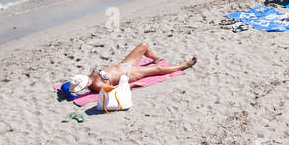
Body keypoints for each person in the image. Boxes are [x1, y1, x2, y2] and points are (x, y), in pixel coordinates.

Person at [67, 42, 197, 95]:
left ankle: (155, 57)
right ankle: (183, 66)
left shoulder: (91, 76)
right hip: (129, 73)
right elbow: (115, 89)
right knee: (157, 69)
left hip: (123, 64)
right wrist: (133, 84)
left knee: (143, 46)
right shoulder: (97, 86)